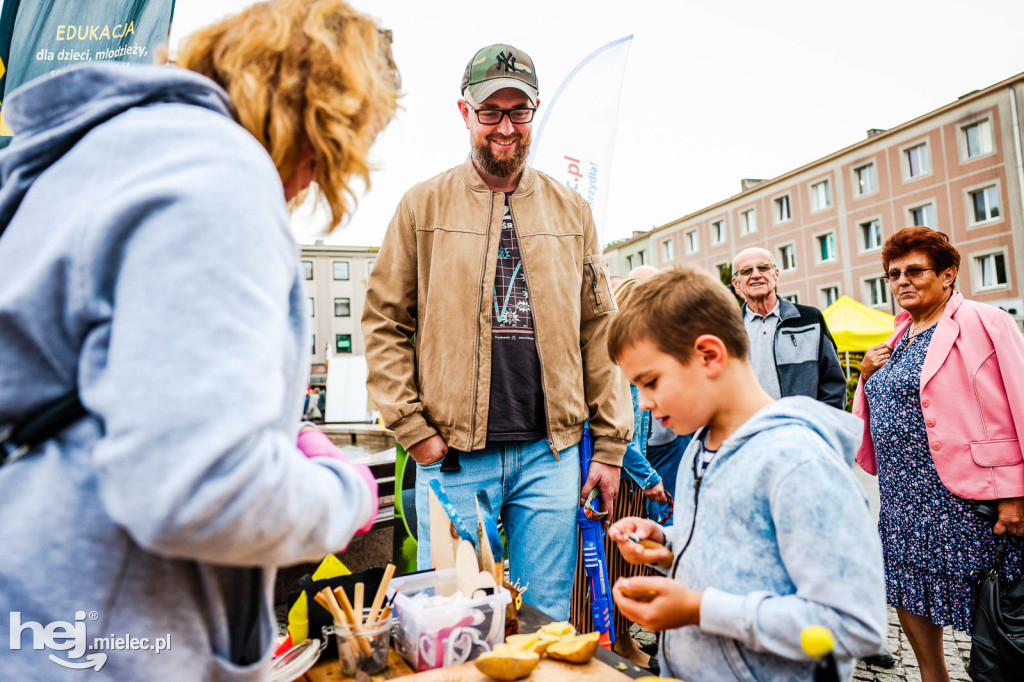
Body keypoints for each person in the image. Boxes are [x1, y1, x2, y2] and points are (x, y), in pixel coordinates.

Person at [0, 0, 398, 677]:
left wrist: (269, 433)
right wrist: (345, 492)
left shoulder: (114, 156)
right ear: (323, 121)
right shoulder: (217, 177)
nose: (311, 182)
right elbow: (199, 490)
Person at [362, 43, 632, 620]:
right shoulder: (421, 205)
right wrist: (414, 430)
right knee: (452, 621)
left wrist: (608, 447)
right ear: (466, 113)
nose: (505, 127)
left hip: (549, 458)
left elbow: (599, 333)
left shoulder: (571, 211)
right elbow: (384, 321)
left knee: (545, 621)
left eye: (518, 111)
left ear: (533, 112)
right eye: (491, 112)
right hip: (454, 459)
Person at [605, 267, 886, 682]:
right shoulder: (700, 446)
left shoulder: (798, 464)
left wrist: (700, 609)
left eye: (650, 382)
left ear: (709, 355)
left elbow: (851, 627)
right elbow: (742, 551)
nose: (643, 403)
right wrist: (667, 546)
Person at [854, 227, 1024, 682]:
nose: (901, 282)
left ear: (948, 274)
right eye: (893, 275)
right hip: (903, 497)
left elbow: (1020, 404)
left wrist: (1017, 494)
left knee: (995, 600)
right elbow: (878, 410)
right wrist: (865, 377)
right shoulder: (897, 336)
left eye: (914, 271)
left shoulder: (987, 321)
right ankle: (934, 678)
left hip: (970, 495)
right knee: (909, 592)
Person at [568, 278, 667, 668]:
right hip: (608, 476)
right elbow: (615, 431)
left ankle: (622, 638)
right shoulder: (613, 354)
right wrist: (651, 479)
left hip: (627, 481)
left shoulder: (639, 350)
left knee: (622, 565)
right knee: (593, 571)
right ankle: (591, 647)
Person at [731, 247, 846, 409]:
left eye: (763, 268)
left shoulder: (810, 318)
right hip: (750, 429)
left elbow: (833, 382)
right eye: (746, 271)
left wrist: (820, 425)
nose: (756, 275)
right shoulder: (730, 329)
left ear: (776, 275)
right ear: (736, 284)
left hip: (802, 429)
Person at [628, 265, 690, 525]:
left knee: (675, 523)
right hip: (636, 457)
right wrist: (646, 475)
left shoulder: (676, 334)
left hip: (674, 446)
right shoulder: (621, 342)